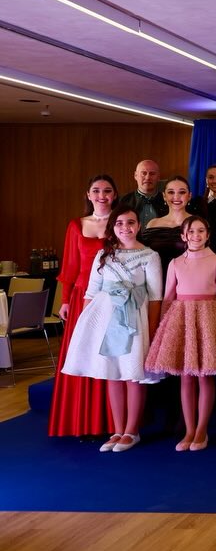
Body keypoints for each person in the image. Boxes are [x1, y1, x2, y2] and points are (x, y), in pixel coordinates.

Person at [60, 207, 163, 452]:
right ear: (112, 227)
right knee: (112, 375)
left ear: (138, 226)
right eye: (119, 223)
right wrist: (87, 327)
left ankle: (132, 431)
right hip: (106, 321)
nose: (125, 228)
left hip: (134, 320)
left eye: (130, 222)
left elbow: (155, 297)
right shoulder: (103, 255)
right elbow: (91, 292)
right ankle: (118, 429)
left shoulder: (149, 256)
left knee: (132, 375)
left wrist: (151, 329)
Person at [144, 216, 216, 452]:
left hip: (207, 321)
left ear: (208, 234)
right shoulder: (175, 263)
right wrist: (164, 329)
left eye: (201, 231)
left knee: (205, 376)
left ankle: (202, 430)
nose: (196, 235)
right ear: (183, 236)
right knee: (186, 377)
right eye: (191, 231)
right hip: (181, 320)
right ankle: (189, 430)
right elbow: (168, 298)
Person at [50, 174, 118, 438]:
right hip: (82, 299)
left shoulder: (122, 222)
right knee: (83, 354)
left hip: (113, 298)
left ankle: (113, 422)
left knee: (108, 355)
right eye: (96, 190)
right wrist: (65, 301)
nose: (102, 195)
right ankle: (83, 421)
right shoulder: (76, 225)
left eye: (107, 190)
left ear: (114, 195)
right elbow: (70, 267)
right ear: (88, 195)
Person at [140, 175, 191, 278]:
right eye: (171, 192)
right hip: (156, 279)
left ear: (189, 196)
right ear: (164, 196)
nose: (176, 197)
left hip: (188, 280)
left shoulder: (199, 224)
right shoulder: (152, 224)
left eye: (182, 192)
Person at [120, 159, 167, 229]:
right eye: (144, 173)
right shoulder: (124, 201)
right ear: (135, 175)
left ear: (158, 177)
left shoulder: (167, 200)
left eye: (152, 174)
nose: (147, 178)